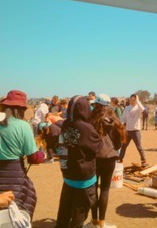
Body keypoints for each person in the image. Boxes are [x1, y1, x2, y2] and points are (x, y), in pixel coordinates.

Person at [0, 90, 38, 216]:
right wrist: (41, 155)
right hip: (14, 173)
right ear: (20, 109)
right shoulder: (23, 126)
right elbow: (33, 157)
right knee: (19, 206)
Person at [55, 95, 102, 228]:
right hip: (84, 180)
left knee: (64, 210)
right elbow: (98, 146)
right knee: (79, 215)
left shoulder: (65, 124)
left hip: (68, 176)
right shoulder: (87, 128)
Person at [87, 94, 125, 228]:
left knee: (93, 188)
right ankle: (102, 223)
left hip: (94, 158)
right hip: (110, 158)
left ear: (96, 105)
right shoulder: (115, 121)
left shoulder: (91, 121)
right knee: (105, 189)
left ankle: (94, 220)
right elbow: (119, 145)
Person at [119, 94, 148, 167]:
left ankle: (143, 161)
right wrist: (121, 124)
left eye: (133, 99)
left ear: (136, 100)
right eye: (131, 99)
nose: (132, 101)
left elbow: (143, 109)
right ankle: (120, 159)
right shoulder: (127, 108)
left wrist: (137, 100)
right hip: (128, 130)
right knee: (123, 146)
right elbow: (123, 118)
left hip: (136, 130)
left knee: (139, 146)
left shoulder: (138, 108)